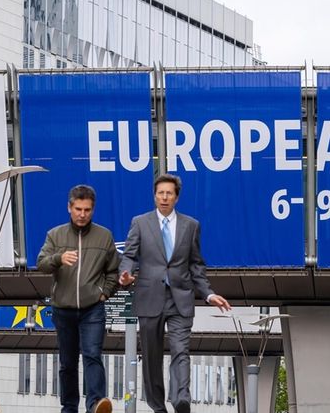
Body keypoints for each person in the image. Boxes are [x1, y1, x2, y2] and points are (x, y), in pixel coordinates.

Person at [119, 174, 231, 413]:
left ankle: (181, 399)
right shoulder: (140, 222)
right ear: (154, 195)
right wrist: (126, 275)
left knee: (181, 350)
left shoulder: (191, 225)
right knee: (151, 357)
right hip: (149, 296)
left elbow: (196, 264)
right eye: (160, 193)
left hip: (180, 297)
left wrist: (208, 294)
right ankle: (158, 406)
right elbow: (129, 255)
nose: (164, 197)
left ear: (176, 197)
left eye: (169, 193)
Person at [37, 185, 118, 413]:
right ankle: (69, 407)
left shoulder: (104, 236)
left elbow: (113, 271)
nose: (82, 214)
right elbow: (41, 263)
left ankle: (95, 404)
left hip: (93, 308)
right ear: (69, 208)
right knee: (68, 363)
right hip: (63, 308)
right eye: (78, 209)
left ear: (93, 210)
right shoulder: (55, 235)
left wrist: (105, 292)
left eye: (87, 210)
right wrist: (59, 258)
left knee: (92, 354)